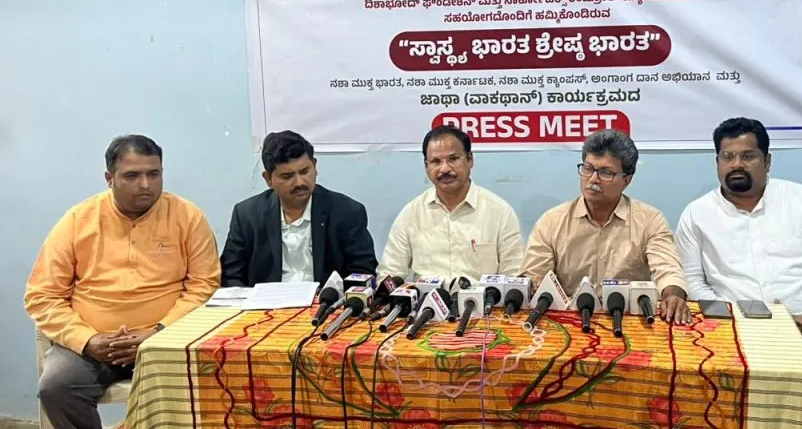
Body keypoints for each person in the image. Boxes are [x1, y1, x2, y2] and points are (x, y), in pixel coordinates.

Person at [675, 117, 802, 429]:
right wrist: (729, 318)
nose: (736, 164)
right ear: (717, 162)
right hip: (733, 330)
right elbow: (693, 281)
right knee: (705, 396)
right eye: (727, 156)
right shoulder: (696, 215)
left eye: (748, 156)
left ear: (767, 161)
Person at [25, 135, 221, 429]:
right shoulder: (78, 220)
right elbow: (42, 295)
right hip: (93, 344)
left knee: (214, 377)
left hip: (167, 340)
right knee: (57, 387)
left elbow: (204, 285)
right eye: (132, 176)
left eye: (153, 174)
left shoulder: (188, 217)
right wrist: (87, 340)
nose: (145, 184)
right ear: (110, 178)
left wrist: (159, 332)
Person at [520, 129, 690, 323]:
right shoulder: (552, 221)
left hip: (628, 320)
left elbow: (668, 268)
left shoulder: (650, 220)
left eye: (605, 172)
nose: (593, 179)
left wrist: (672, 294)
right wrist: (532, 285)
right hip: (570, 320)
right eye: (588, 169)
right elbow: (533, 276)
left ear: (626, 180)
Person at [220, 130, 377, 287]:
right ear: (268, 179)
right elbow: (231, 277)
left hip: (326, 301)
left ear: (314, 166)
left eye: (304, 171)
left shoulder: (347, 212)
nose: (299, 182)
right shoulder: (247, 215)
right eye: (287, 176)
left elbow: (363, 272)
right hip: (267, 302)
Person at [377, 125, 524, 282]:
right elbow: (389, 274)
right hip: (426, 297)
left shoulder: (500, 212)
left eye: (453, 159)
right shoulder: (411, 214)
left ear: (470, 159)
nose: (445, 169)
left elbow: (514, 276)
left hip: (484, 298)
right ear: (426, 166)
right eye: (435, 161)